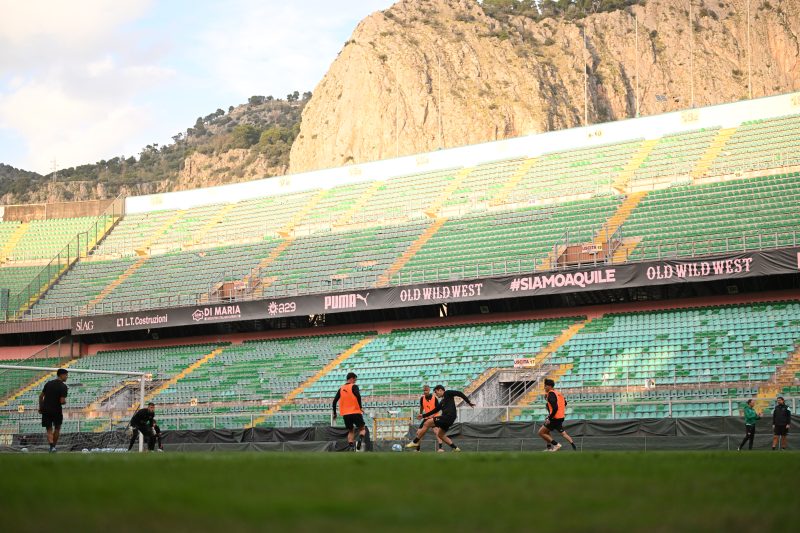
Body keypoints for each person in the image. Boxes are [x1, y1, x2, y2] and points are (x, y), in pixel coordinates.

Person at [406, 385, 474, 452]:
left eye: (436, 392)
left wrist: (468, 402)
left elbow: (459, 393)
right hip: (449, 419)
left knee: (427, 423)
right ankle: (455, 448)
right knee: (440, 434)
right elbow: (435, 410)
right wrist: (423, 415)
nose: (436, 394)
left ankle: (415, 441)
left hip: (447, 417)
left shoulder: (447, 393)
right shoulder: (442, 401)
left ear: (440, 390)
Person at [537, 378, 577, 452]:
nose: (544, 388)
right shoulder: (558, 393)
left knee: (541, 432)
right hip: (560, 417)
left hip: (555, 417)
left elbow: (555, 408)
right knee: (553, 432)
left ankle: (556, 445)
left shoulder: (551, 394)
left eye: (545, 386)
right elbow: (565, 403)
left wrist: (549, 418)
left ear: (549, 386)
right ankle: (550, 448)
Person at [332, 372, 368, 451]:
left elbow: (334, 401)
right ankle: (360, 439)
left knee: (350, 431)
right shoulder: (354, 386)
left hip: (346, 414)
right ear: (351, 378)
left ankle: (351, 447)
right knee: (362, 429)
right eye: (355, 379)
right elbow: (358, 395)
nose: (355, 381)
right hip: (355, 411)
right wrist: (360, 407)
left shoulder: (341, 388)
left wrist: (334, 413)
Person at [39, 368, 68, 453]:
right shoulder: (63, 386)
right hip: (56, 410)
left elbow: (41, 397)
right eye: (66, 375)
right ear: (61, 375)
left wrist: (41, 408)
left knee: (49, 429)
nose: (67, 377)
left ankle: (51, 447)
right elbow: (62, 401)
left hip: (46, 409)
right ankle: (53, 447)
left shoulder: (48, 383)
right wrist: (65, 401)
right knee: (57, 428)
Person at [418, 385, 444, 452]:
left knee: (437, 432)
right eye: (424, 390)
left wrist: (432, 415)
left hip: (434, 417)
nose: (425, 392)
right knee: (419, 433)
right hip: (427, 417)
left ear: (429, 390)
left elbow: (438, 409)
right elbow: (422, 407)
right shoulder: (422, 398)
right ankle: (418, 449)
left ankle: (440, 448)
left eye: (426, 390)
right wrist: (420, 414)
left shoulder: (434, 398)